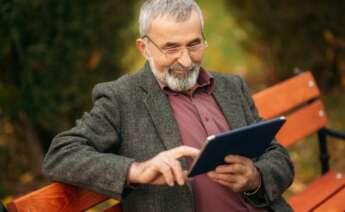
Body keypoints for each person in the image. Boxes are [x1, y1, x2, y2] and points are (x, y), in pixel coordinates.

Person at [42, 0, 294, 211]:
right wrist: (136, 170)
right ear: (144, 48)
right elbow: (61, 154)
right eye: (171, 47)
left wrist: (256, 177)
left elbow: (277, 155)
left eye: (194, 44)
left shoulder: (231, 86)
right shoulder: (121, 98)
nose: (185, 60)